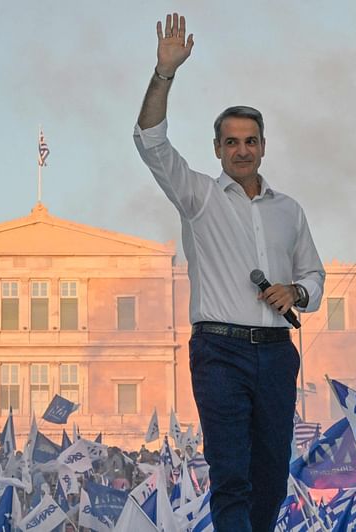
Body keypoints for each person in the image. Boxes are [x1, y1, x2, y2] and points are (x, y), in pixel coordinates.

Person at [134, 13, 325, 531]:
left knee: (271, 480)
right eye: (232, 142)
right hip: (220, 351)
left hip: (277, 354)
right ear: (217, 149)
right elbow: (150, 141)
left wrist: (297, 292)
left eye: (251, 140)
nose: (242, 150)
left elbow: (315, 274)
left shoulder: (289, 210)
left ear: (263, 146)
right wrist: (164, 73)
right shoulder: (197, 196)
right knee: (231, 476)